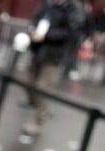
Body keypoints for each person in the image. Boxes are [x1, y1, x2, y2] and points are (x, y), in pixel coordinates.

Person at [22, 0, 79, 136]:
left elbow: (70, 33)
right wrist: (32, 29)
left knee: (44, 88)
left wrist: (46, 36)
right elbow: (36, 18)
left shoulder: (71, 10)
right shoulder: (48, 5)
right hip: (38, 50)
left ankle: (38, 121)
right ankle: (39, 107)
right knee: (28, 82)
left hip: (54, 56)